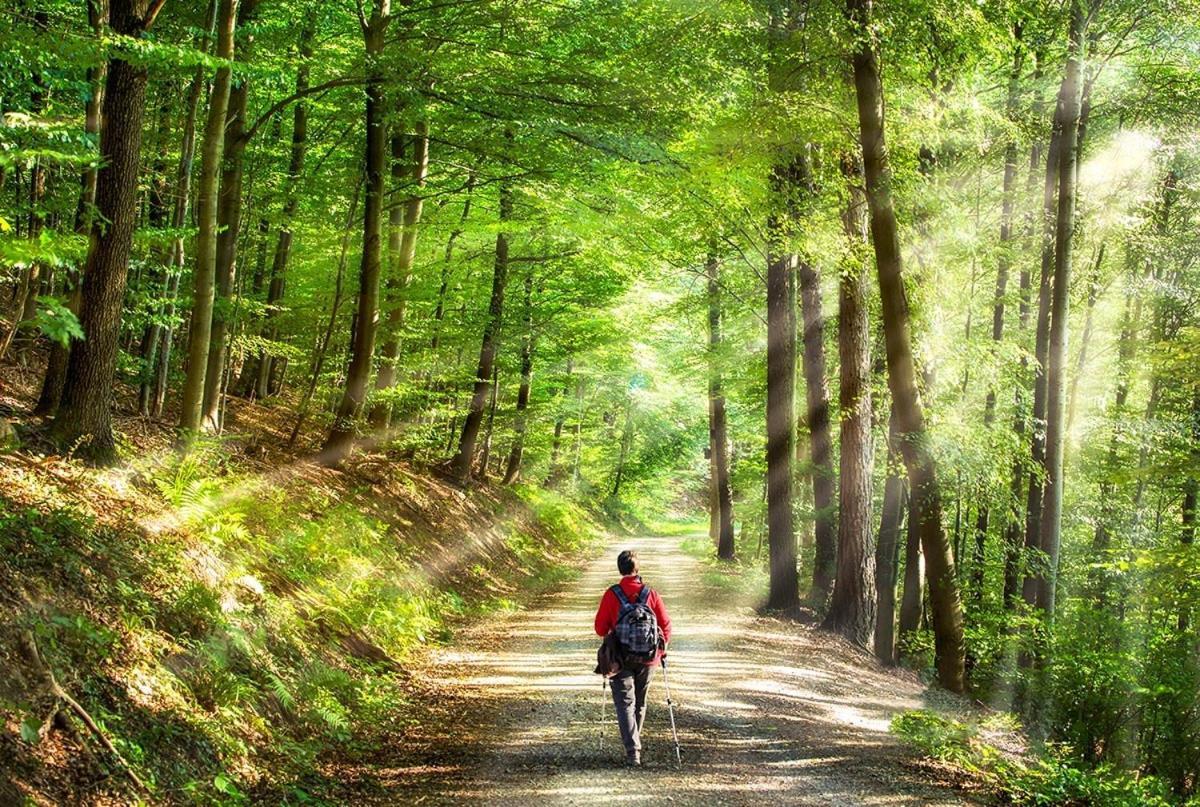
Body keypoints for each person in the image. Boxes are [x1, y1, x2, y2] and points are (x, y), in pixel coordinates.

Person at [593, 549, 672, 766]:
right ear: (637, 569)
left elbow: (600, 628)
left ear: (620, 568)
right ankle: (635, 742)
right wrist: (661, 651)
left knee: (625, 703)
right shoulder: (651, 594)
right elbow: (665, 625)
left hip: (620, 658)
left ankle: (633, 751)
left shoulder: (612, 594)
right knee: (640, 702)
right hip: (648, 658)